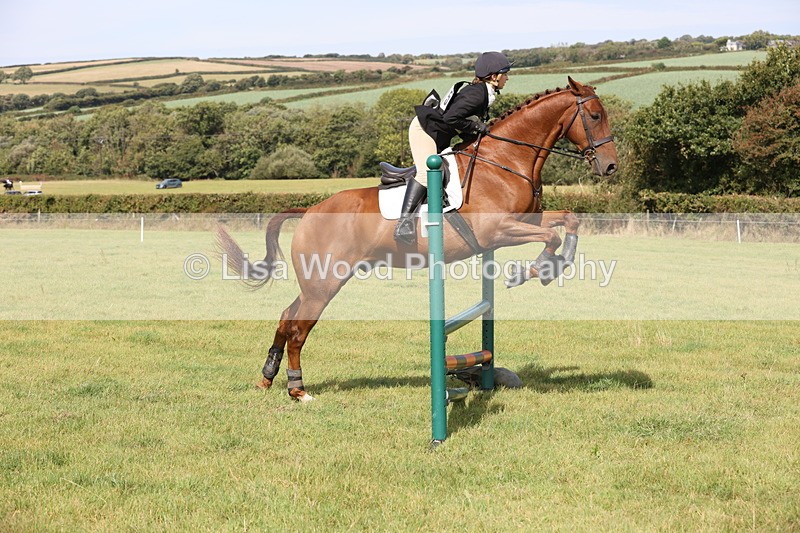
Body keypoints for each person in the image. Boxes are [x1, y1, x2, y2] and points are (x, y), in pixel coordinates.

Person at [394, 51, 512, 244]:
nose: (508, 78)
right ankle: (403, 224)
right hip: (424, 130)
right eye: (505, 73)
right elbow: (451, 119)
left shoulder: (482, 92)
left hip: (439, 134)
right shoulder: (477, 94)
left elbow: (456, 121)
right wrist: (477, 127)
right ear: (494, 76)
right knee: (428, 173)